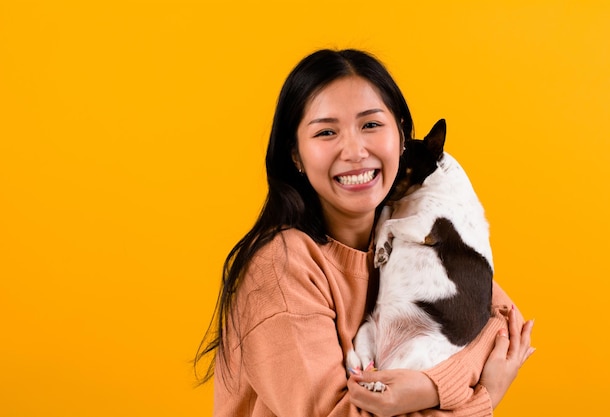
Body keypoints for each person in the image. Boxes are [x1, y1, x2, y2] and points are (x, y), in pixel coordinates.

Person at [195, 48, 535, 417]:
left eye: (370, 125)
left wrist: (429, 387)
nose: (355, 151)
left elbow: (503, 326)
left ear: (402, 137)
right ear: (295, 155)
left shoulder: (401, 234)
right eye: (326, 132)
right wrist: (480, 395)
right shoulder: (283, 266)